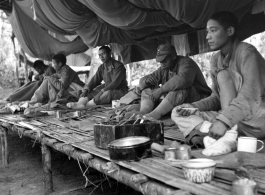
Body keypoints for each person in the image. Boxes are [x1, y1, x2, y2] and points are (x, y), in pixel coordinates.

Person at [171, 11, 265, 156]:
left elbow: (251, 94)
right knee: (177, 112)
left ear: (230, 31)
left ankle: (222, 136)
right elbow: (216, 97)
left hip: (255, 119)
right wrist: (194, 106)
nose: (207, 36)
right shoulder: (216, 60)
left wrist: (224, 121)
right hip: (230, 121)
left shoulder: (247, 52)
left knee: (223, 75)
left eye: (213, 31)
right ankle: (226, 137)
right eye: (207, 32)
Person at [126, 44, 211, 120]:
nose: (162, 63)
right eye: (160, 61)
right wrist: (147, 81)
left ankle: (153, 115)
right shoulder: (164, 68)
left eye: (164, 60)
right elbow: (142, 83)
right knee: (148, 88)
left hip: (199, 99)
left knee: (180, 88)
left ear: (173, 56)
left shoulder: (186, 62)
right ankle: (143, 112)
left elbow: (183, 80)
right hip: (178, 101)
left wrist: (160, 90)